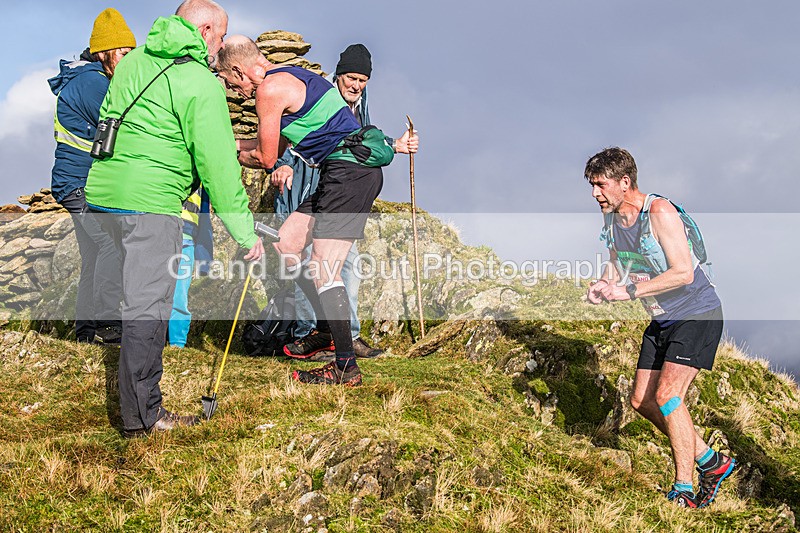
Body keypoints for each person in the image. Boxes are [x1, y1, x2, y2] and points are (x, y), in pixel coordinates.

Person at [84, 0, 264, 437]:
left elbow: (112, 119)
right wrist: (244, 232)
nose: (220, 47)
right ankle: (142, 419)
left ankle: (137, 403)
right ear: (204, 30)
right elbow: (218, 167)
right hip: (151, 203)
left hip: (104, 195)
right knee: (148, 309)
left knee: (130, 301)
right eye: (221, 36)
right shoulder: (198, 81)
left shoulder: (135, 61)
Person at [216, 35, 418, 386]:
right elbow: (273, 146)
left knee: (323, 268)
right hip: (339, 172)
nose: (234, 90)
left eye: (229, 81)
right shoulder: (289, 76)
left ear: (238, 70)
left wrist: (217, 152)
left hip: (350, 175)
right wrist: (232, 146)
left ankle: (344, 366)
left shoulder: (267, 91)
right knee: (287, 244)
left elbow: (265, 158)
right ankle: (326, 330)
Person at [584, 147, 736, 508]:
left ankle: (683, 488)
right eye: (591, 185)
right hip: (662, 318)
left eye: (600, 185)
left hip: (697, 313)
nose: (595, 193)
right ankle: (711, 462)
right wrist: (604, 285)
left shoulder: (660, 212)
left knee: (668, 397)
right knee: (641, 400)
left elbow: (683, 271)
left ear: (624, 182)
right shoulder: (611, 218)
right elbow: (616, 263)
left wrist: (629, 291)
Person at [274, 44, 383, 361]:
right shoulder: (319, 98)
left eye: (362, 80)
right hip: (311, 192)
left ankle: (347, 335)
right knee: (308, 259)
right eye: (351, 77)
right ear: (338, 75)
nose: (356, 85)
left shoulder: (361, 108)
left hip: (342, 196)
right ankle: (310, 333)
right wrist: (281, 162)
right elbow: (290, 129)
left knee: (348, 266)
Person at [48, 8, 135, 344]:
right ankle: (108, 325)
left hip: (76, 183)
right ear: (104, 52)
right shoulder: (91, 83)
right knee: (111, 247)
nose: (128, 60)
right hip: (79, 185)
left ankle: (85, 332)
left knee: (95, 256)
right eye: (124, 53)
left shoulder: (91, 78)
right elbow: (125, 125)